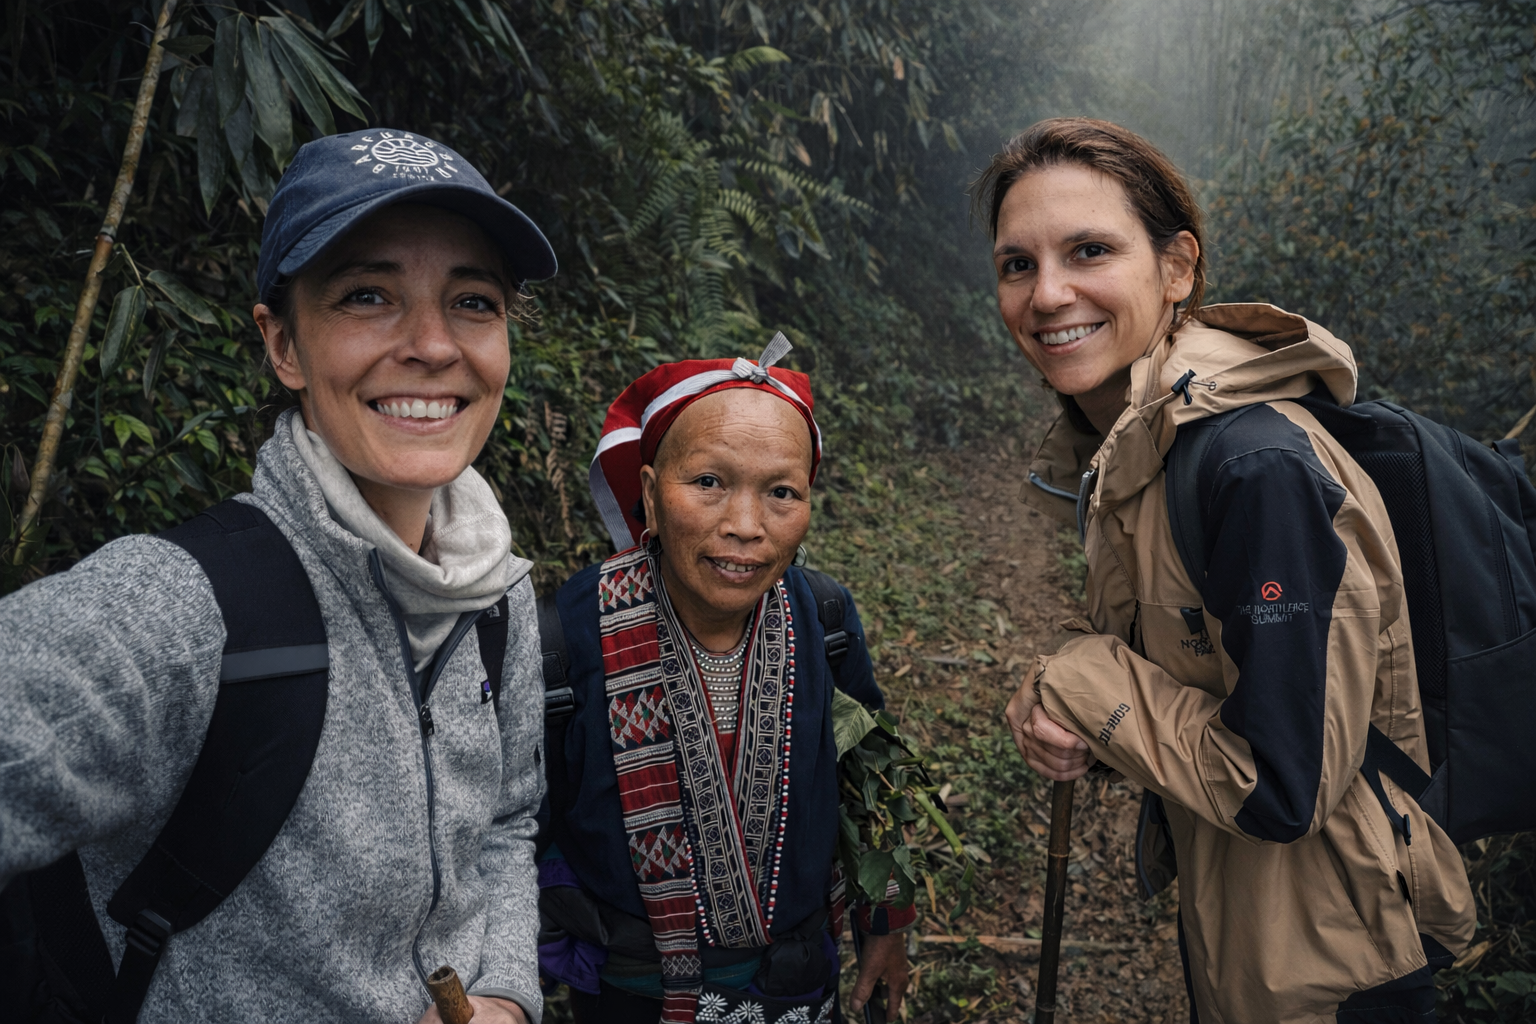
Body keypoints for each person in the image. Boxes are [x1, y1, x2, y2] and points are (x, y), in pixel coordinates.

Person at [0, 130, 555, 1023]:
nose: (430, 343)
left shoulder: (497, 597)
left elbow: (507, 820)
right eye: (367, 295)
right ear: (283, 345)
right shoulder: (185, 609)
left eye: (474, 301)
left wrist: (503, 993)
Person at [981, 118, 1475, 1023]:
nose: (1048, 294)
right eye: (1019, 264)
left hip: (1337, 967)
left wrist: (1082, 679)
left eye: (1089, 250)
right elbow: (1191, 679)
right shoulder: (1138, 448)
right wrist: (1090, 717)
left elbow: (1282, 785)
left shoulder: (1253, 467)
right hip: (1248, 935)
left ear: (1177, 270)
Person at [535, 338, 912, 1024]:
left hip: (798, 989)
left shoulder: (823, 619)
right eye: (708, 482)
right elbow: (511, 831)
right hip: (629, 1001)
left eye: (781, 493)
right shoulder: (564, 638)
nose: (745, 527)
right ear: (650, 492)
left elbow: (868, 784)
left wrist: (884, 924)